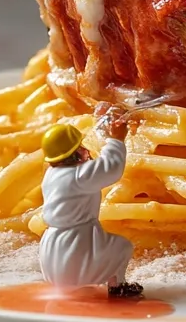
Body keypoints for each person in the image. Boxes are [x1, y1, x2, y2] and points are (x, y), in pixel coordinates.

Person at [38, 105, 141, 298]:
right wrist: (116, 139)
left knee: (73, 272)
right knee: (121, 247)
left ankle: (73, 285)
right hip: (75, 242)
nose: (84, 149)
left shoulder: (52, 174)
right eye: (80, 147)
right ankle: (117, 287)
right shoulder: (79, 176)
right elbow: (110, 167)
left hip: (51, 246)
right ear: (74, 152)